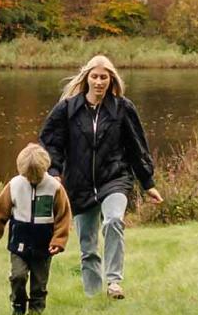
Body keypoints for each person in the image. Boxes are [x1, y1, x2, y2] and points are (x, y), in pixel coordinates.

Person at [39, 55, 162, 300]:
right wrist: (54, 173)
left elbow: (137, 145)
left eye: (104, 77)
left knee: (113, 220)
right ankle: (93, 297)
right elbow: (51, 142)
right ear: (86, 79)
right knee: (88, 248)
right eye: (94, 76)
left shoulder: (122, 108)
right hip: (79, 185)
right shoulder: (67, 109)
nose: (99, 81)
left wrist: (147, 182)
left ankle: (114, 282)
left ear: (111, 79)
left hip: (114, 179)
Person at [0, 143, 72, 315]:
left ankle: (36, 311)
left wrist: (58, 241)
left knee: (39, 282)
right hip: (20, 241)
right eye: (28, 177)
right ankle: (17, 305)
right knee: (18, 276)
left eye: (36, 178)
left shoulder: (54, 188)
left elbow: (63, 217)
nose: (32, 180)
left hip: (44, 244)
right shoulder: (14, 185)